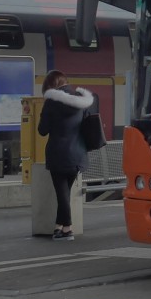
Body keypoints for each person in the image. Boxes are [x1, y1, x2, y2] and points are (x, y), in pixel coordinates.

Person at [37, 70, 94, 241]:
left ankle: (68, 228)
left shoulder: (51, 103)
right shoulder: (82, 102)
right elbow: (87, 126)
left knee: (62, 194)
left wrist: (45, 114)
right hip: (77, 154)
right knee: (64, 193)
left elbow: (42, 130)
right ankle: (59, 226)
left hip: (58, 154)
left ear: (50, 86)